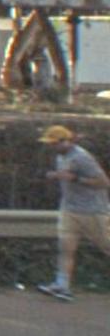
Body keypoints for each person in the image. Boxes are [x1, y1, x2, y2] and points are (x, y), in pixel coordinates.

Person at [37, 124, 110, 300]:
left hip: (92, 211)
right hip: (69, 209)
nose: (51, 146)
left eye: (54, 143)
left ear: (66, 141)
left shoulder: (82, 157)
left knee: (106, 245)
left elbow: (103, 182)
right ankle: (62, 285)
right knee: (66, 248)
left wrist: (76, 179)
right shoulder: (60, 157)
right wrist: (56, 176)